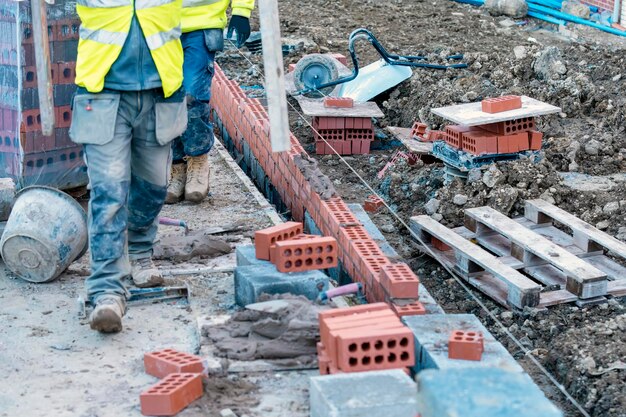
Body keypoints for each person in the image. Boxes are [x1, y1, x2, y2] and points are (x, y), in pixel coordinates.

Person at [70, 0, 187, 333]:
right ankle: (107, 291)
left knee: (154, 186)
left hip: (161, 91)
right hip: (102, 92)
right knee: (108, 193)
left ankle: (139, 249)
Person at [165, 0, 255, 204]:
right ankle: (177, 167)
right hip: (158, 25)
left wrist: (241, 11)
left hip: (202, 24)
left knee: (192, 96)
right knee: (166, 99)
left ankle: (197, 160)